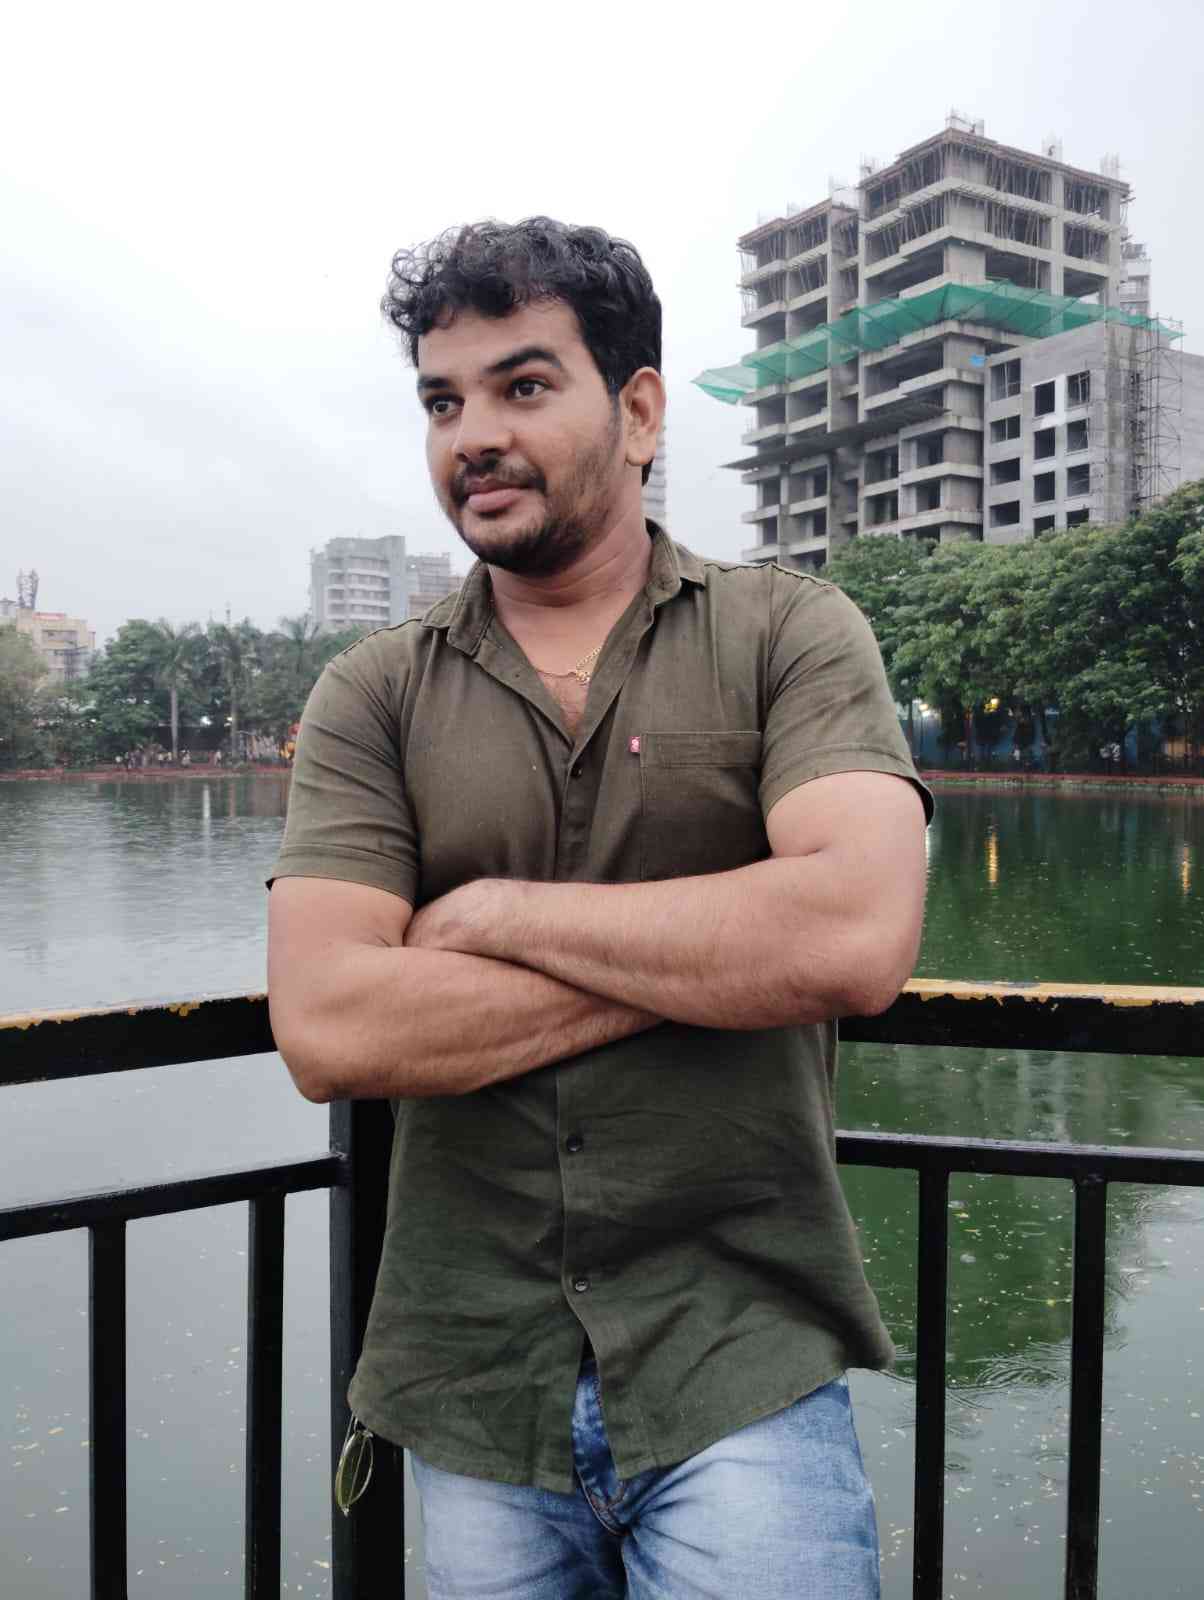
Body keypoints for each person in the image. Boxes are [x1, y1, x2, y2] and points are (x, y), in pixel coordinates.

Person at [267, 218, 931, 1600]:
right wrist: (714, 961)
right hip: (474, 1373)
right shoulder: (371, 694)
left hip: (738, 1351)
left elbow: (854, 936)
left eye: (522, 386)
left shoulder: (789, 632)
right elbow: (331, 1026)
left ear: (637, 413)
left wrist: (491, 913)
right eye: (442, 402)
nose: (474, 437)